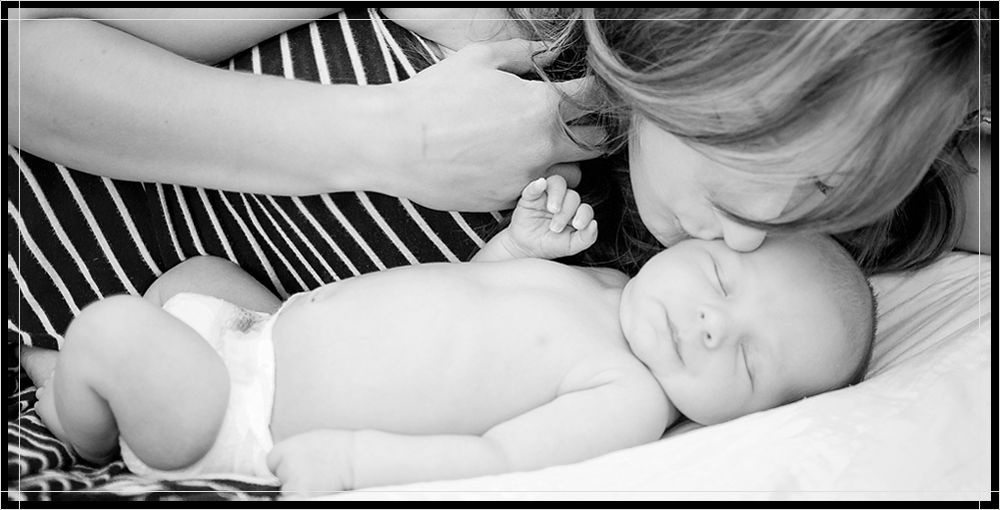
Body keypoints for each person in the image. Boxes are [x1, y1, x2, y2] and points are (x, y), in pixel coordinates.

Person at [22, 175, 876, 496]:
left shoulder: (629, 398)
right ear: (694, 240)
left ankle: (77, 420)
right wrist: (518, 248)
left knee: (112, 330)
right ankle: (113, 386)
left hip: (249, 419)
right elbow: (464, 298)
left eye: (749, 360)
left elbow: (499, 457)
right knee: (192, 276)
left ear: (752, 417)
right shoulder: (609, 286)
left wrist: (355, 463)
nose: (712, 326)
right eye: (720, 281)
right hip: (267, 331)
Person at [572, 7, 989, 274]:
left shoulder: (870, 211)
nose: (747, 236)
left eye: (824, 185)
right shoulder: (535, 103)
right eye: (753, 147)